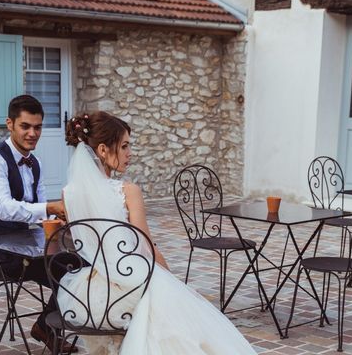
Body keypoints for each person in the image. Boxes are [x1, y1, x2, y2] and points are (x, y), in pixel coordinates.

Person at [57, 111, 257, 354]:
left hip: (89, 296)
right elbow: (146, 246)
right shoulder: (128, 190)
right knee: (180, 308)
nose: (130, 154)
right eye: (124, 146)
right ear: (102, 150)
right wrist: (175, 282)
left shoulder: (68, 194)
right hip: (128, 284)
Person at [0, 94, 75, 352]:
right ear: (10, 124)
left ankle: (45, 325)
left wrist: (59, 221)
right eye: (25, 126)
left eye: (38, 127)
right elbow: (5, 209)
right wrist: (50, 207)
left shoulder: (35, 163)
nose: (32, 133)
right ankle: (47, 328)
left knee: (78, 264)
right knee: (69, 272)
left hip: (27, 248)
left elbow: (41, 213)